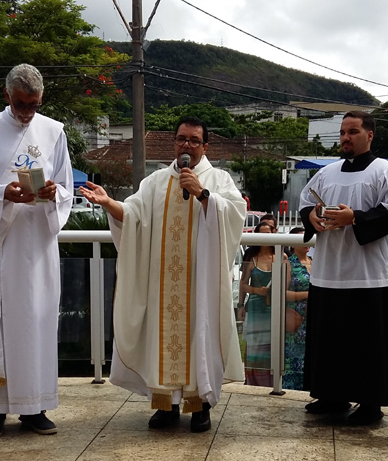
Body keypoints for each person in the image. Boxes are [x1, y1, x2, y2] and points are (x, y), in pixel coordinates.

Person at [79, 115, 246, 432]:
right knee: (163, 337)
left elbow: (235, 214)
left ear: (205, 146)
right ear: (175, 143)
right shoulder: (155, 182)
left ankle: (200, 406)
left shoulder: (219, 179)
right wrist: (109, 203)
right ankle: (166, 405)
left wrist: (203, 194)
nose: (187, 146)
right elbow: (133, 216)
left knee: (200, 336)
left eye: (194, 140)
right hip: (163, 285)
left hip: (201, 285)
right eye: (182, 139)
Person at [0, 64, 74, 439]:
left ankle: (34, 406)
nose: (27, 112)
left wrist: (53, 193)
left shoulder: (54, 131)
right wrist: (3, 194)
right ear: (7, 95)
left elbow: (66, 186)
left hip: (37, 246)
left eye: (34, 104)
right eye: (21, 103)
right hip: (1, 244)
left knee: (36, 322)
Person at [299, 110, 388, 425]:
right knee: (331, 339)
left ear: (369, 135)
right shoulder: (326, 172)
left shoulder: (385, 172)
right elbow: (306, 203)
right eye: (343, 132)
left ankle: (371, 404)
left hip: (370, 273)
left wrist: (355, 218)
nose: (346, 138)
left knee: (368, 342)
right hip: (329, 271)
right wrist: (312, 216)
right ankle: (331, 396)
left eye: (353, 132)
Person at [239, 221, 287, 386]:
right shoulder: (252, 258)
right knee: (254, 344)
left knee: (273, 344)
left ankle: (272, 380)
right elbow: (243, 284)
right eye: (262, 234)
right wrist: (254, 292)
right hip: (255, 308)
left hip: (274, 306)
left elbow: (286, 282)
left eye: (268, 233)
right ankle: (252, 380)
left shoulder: (281, 256)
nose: (265, 237)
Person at [283, 227, 311, 391]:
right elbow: (282, 293)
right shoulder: (289, 264)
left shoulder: (315, 262)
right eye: (302, 239)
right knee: (295, 358)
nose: (307, 242)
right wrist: (306, 295)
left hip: (314, 318)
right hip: (297, 320)